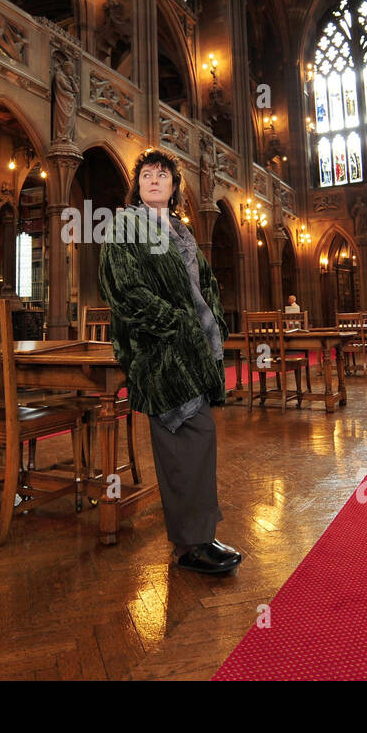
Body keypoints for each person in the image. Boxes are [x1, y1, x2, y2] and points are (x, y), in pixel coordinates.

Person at [98, 149, 242, 575]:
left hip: (194, 351)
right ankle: (192, 543)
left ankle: (197, 537)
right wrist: (175, 325)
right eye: (147, 174)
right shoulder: (126, 225)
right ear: (138, 185)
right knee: (189, 435)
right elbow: (121, 288)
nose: (155, 179)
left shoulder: (180, 229)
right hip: (161, 352)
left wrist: (212, 323)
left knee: (193, 438)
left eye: (163, 174)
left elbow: (205, 285)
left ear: (175, 186)